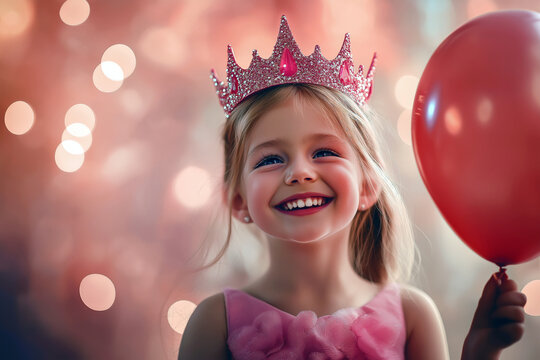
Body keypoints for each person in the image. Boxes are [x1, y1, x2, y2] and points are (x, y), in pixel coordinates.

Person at [178, 16, 526, 360]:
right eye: (270, 160)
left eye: (325, 152)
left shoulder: (413, 315)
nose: (299, 173)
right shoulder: (214, 324)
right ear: (237, 200)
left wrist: (481, 351)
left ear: (368, 186)